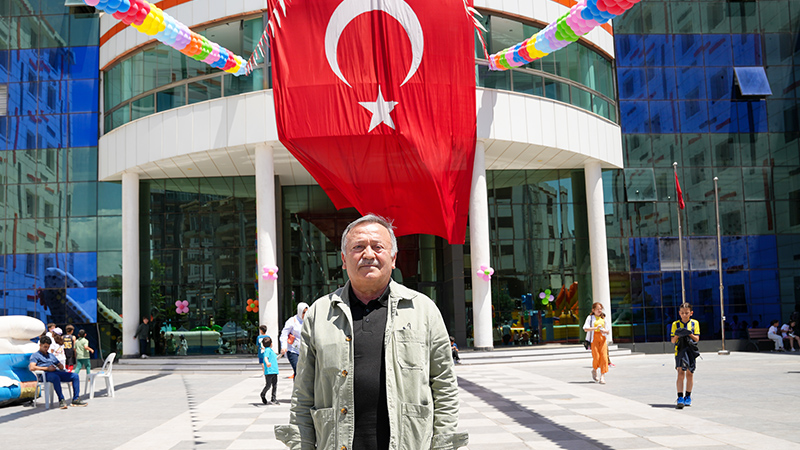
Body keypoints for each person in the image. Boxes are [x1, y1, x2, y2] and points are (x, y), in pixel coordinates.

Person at [275, 214, 468, 450]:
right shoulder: (320, 314)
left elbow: (444, 386)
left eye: (378, 247)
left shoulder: (423, 310)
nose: (368, 254)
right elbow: (303, 394)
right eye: (358, 247)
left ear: (393, 258)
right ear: (344, 260)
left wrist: (443, 445)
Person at [29, 336, 88, 408]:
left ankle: (76, 399)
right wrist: (47, 368)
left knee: (75, 376)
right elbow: (32, 367)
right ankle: (61, 399)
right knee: (55, 377)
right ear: (40, 345)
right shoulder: (35, 355)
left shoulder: (50, 355)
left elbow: (60, 365)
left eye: (48, 347)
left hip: (55, 371)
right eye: (45, 347)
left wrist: (59, 365)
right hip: (45, 374)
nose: (46, 349)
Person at [670, 303, 700, 409]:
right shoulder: (675, 324)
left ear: (691, 313)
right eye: (682, 313)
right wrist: (678, 334)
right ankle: (680, 397)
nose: (684, 315)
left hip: (690, 351)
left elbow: (696, 339)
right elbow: (673, 340)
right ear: (679, 313)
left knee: (690, 373)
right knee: (680, 373)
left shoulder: (694, 323)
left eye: (686, 313)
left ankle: (688, 396)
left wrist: (689, 333)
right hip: (680, 351)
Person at [279, 302, 309, 378]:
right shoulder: (292, 321)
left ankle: (300, 388)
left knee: (304, 372)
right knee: (297, 369)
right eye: (303, 312)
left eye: (306, 312)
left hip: (306, 350)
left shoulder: (309, 321)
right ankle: (297, 389)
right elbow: (284, 334)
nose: (305, 314)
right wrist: (284, 346)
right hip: (293, 350)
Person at [583, 303, 610, 384]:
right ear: (593, 310)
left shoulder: (603, 318)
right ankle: (594, 370)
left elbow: (608, 331)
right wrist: (595, 328)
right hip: (594, 339)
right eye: (598, 309)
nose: (599, 310)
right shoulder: (590, 318)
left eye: (601, 309)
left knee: (604, 357)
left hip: (602, 339)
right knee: (596, 357)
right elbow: (585, 329)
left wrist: (604, 331)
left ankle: (602, 376)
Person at [261, 336, 279, 405]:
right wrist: (267, 362)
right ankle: (263, 394)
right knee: (268, 385)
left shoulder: (271, 351)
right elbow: (265, 357)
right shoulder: (267, 350)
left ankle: (273, 398)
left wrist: (281, 354)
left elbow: (276, 358)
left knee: (274, 385)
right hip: (269, 371)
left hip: (274, 370)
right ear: (271, 343)